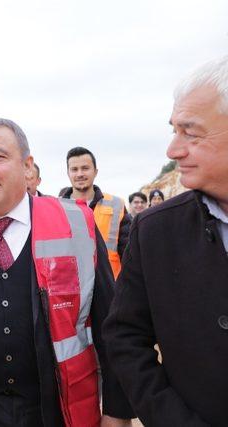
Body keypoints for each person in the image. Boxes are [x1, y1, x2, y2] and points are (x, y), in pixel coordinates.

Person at [0, 118, 133, 427]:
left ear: (26, 166)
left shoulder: (77, 223)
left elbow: (109, 323)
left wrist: (117, 409)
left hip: (59, 407)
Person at [103, 57, 228, 426]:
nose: (173, 150)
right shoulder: (155, 231)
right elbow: (124, 336)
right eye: (174, 130)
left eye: (191, 132)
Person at [60, 147, 131, 279]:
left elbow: (129, 253)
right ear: (68, 173)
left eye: (85, 168)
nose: (80, 174)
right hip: (72, 289)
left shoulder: (116, 205)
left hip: (110, 288)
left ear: (95, 171)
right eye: (74, 169)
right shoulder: (56, 208)